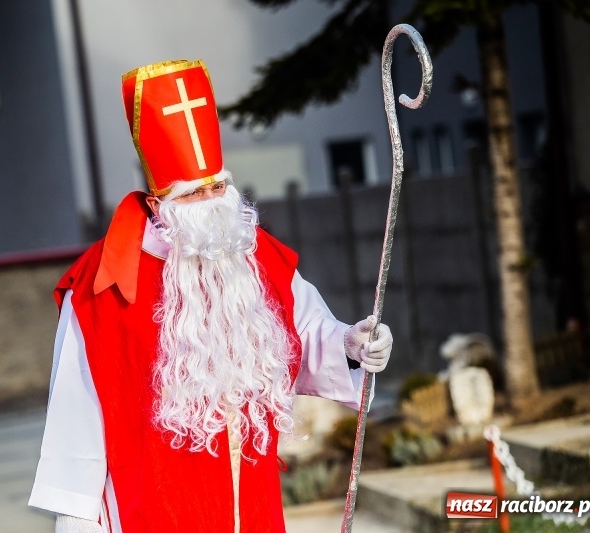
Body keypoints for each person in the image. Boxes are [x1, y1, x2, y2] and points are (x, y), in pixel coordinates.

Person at [29, 59, 394, 533]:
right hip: (155, 514)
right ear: (159, 206)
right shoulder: (103, 288)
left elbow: (301, 333)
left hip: (255, 510)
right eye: (193, 194)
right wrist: (76, 522)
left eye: (217, 186)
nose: (211, 205)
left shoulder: (252, 254)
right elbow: (75, 420)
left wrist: (349, 344)